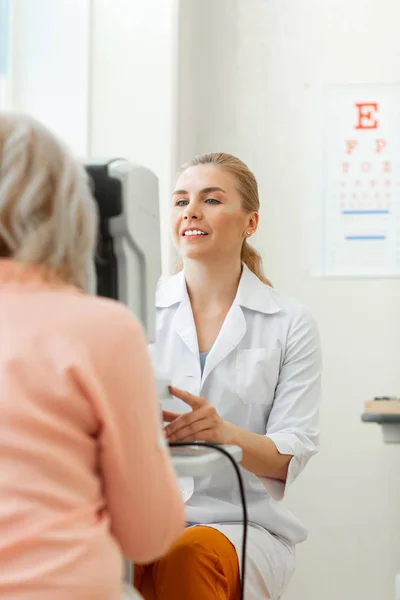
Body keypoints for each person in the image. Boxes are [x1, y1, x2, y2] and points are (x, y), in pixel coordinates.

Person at [0, 112, 185, 600]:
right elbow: (149, 536)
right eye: (184, 201)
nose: (192, 216)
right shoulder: (102, 329)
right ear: (70, 211)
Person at [134, 153, 322, 600]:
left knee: (187, 555)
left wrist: (223, 434)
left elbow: (287, 456)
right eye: (181, 201)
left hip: (238, 523)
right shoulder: (136, 308)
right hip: (142, 511)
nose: (191, 212)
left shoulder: (289, 321)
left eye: (211, 199)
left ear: (250, 223)